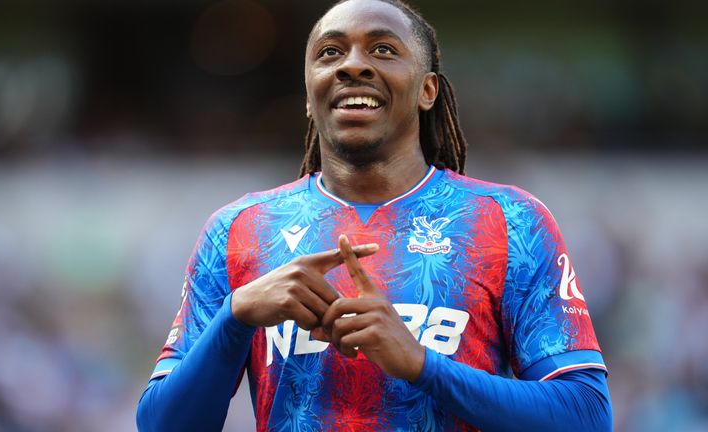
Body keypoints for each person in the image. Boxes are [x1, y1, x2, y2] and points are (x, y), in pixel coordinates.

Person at [136, 0, 613, 430]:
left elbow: (587, 416)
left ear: (428, 91)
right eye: (330, 53)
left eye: (383, 49)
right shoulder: (238, 231)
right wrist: (235, 317)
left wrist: (421, 363)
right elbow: (162, 426)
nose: (353, 66)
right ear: (308, 96)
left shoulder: (510, 221)